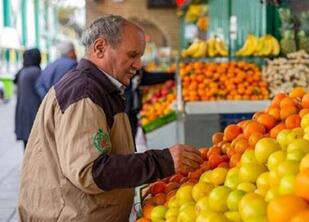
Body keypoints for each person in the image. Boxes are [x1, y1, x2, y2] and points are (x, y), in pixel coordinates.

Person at [18, 15, 202, 221]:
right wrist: (162, 161)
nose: (139, 64)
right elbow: (91, 171)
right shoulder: (85, 92)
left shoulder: (100, 88)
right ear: (99, 48)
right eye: (132, 55)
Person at [13, 48, 42, 148]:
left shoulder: (22, 71)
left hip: (22, 112)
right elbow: (42, 92)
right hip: (33, 112)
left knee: (26, 145)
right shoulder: (36, 71)